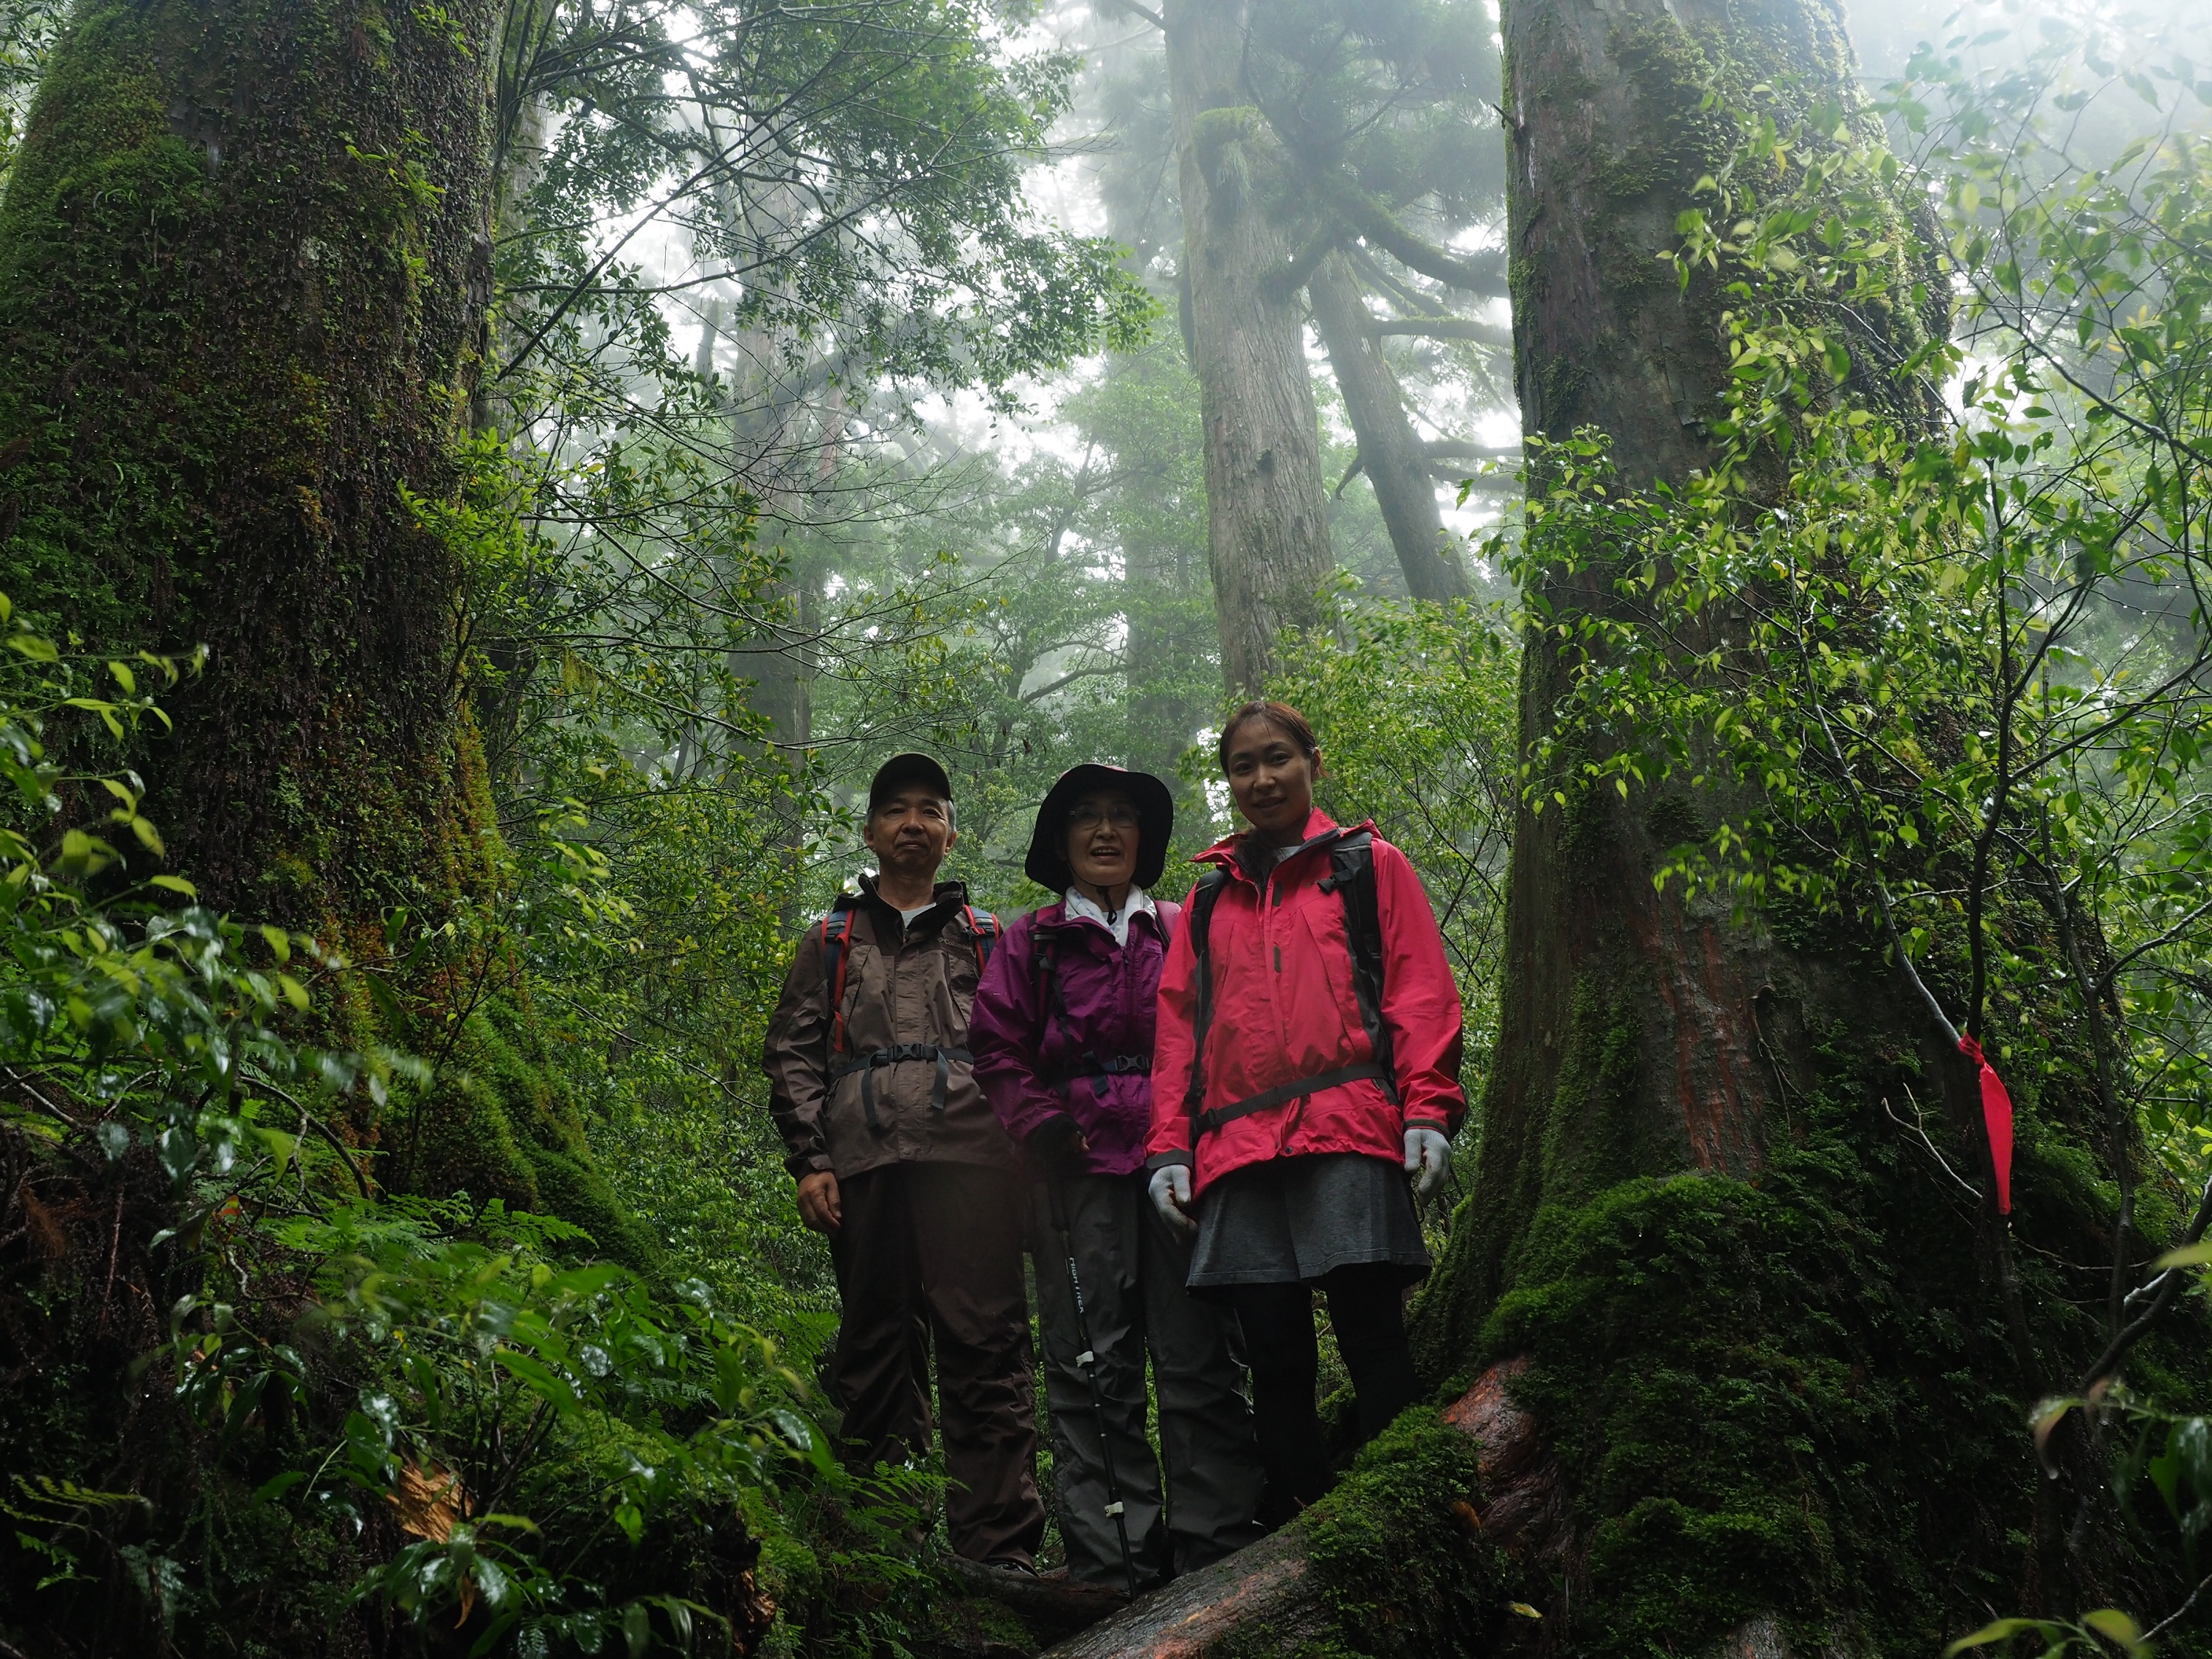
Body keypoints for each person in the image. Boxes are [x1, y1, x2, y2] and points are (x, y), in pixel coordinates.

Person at [1145, 703, 1464, 1520]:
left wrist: (1427, 1109)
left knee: (1372, 1334)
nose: (1261, 779)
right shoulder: (1209, 901)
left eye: (1277, 758)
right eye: (1243, 766)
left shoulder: (1368, 866)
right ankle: (1300, 1537)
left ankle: (1414, 1517)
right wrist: (1169, 1151)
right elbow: (1179, 1033)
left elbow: (1419, 991)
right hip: (1238, 1153)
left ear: (1313, 763)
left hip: (1351, 1130)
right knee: (1277, 1357)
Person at [970, 765, 1265, 1588]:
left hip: (1184, 1165)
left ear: (1145, 837)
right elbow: (994, 1049)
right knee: (1091, 1363)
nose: (1105, 832)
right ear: (1060, 840)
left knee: (1200, 1352)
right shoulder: (1029, 940)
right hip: (1071, 1176)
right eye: (1087, 818)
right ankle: (1116, 1567)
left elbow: (1231, 1032)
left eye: (1123, 818)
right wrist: (1042, 1125)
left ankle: (1216, 1547)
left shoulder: (1183, 926)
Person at [762, 753, 1046, 1573]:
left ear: (952, 834)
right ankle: (884, 1550)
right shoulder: (831, 940)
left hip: (974, 1165)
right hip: (864, 1164)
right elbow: (793, 1056)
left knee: (986, 1345)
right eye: (896, 809)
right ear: (871, 830)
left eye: (930, 810)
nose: (913, 823)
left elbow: (1024, 1053)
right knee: (875, 1347)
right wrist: (810, 1161)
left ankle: (998, 1556)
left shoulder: (992, 938)